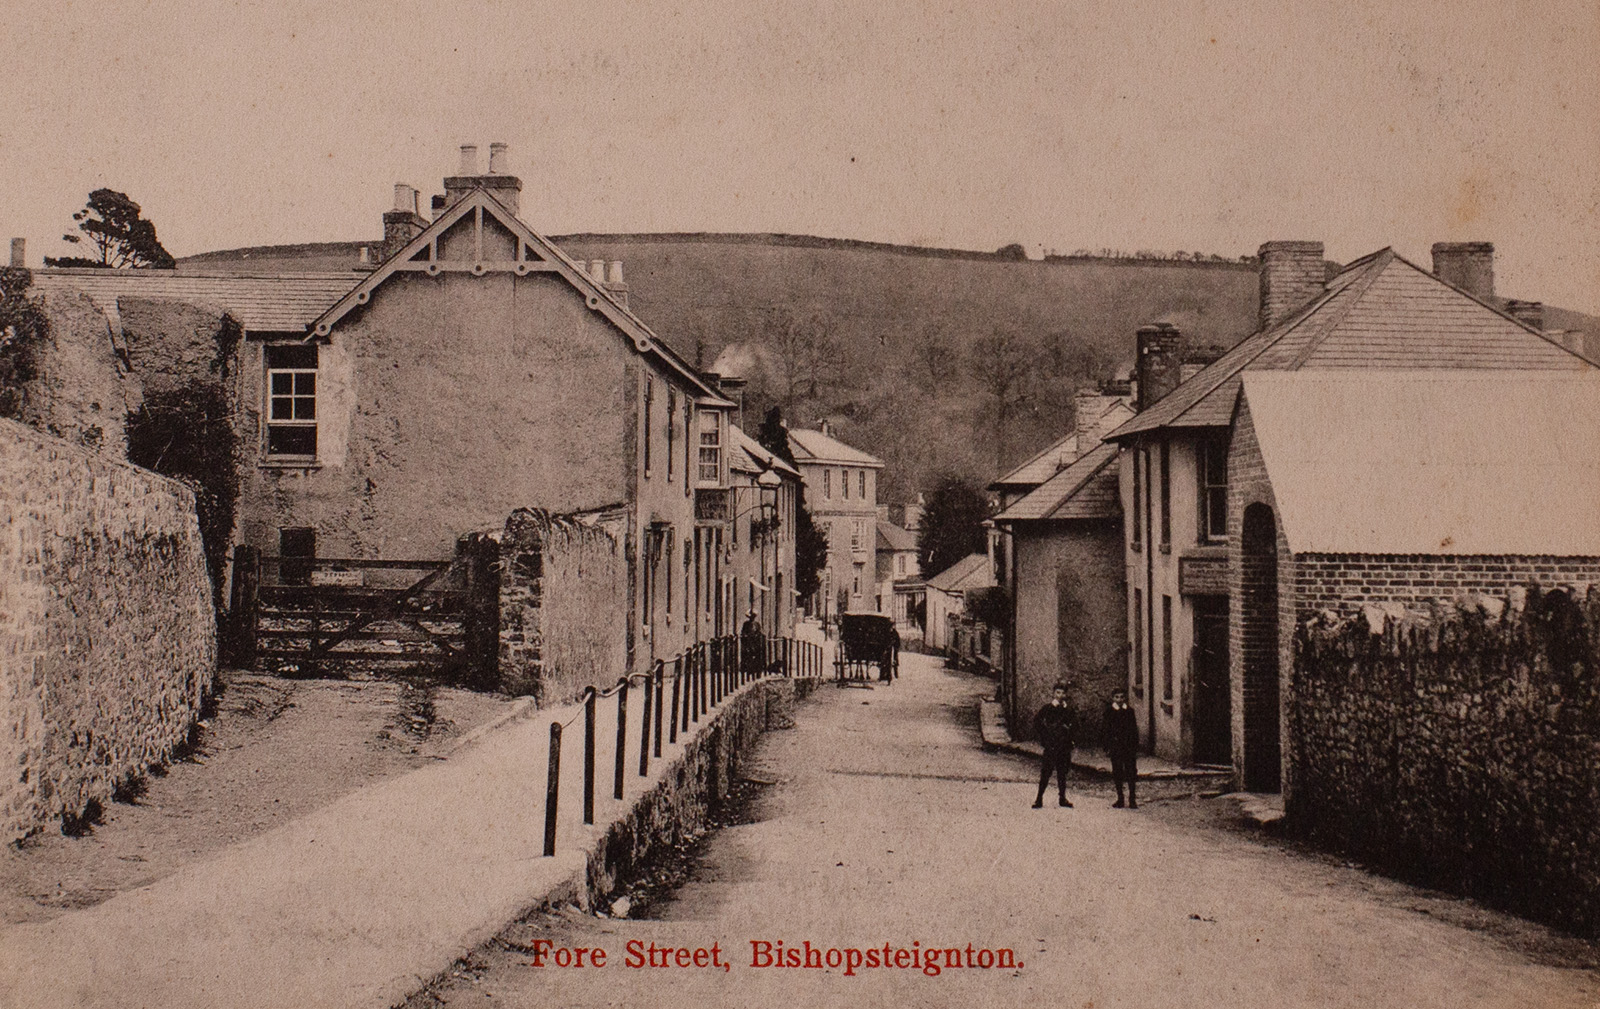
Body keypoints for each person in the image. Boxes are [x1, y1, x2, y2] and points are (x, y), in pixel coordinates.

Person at [1032, 681, 1076, 808]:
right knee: (1046, 772)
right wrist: (1045, 738)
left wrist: (1071, 738)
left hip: (1064, 745)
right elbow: (1037, 722)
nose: (1060, 695)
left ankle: (1062, 798)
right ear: (1053, 693)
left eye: (1063, 693)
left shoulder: (1068, 709)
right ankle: (1039, 798)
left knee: (1062, 773)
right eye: (1058, 692)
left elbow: (1075, 725)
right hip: (1051, 745)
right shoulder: (1048, 708)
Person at [1104, 688, 1140, 809]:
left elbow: (1134, 730)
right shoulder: (1109, 712)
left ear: (1125, 698)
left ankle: (1132, 799)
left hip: (1128, 747)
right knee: (1117, 772)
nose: (1119, 700)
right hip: (1116, 747)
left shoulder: (1129, 711)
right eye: (1117, 697)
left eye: (1122, 697)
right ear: (1113, 698)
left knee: (1131, 772)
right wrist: (1107, 747)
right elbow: (1105, 730)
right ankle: (1120, 798)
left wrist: (1135, 746)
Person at [739, 609, 765, 677]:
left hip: (756, 642)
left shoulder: (757, 624)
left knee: (757, 656)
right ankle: (748, 670)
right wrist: (745, 636)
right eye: (751, 617)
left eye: (753, 617)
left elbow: (759, 632)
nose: (752, 618)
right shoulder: (746, 624)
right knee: (747, 656)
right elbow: (743, 632)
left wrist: (758, 636)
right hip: (748, 642)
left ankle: (757, 670)